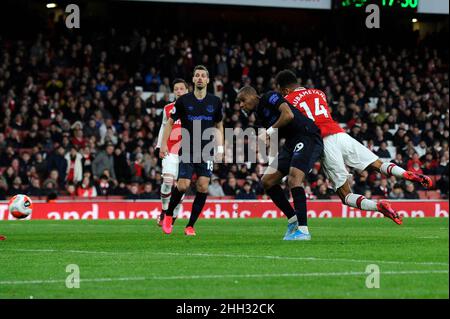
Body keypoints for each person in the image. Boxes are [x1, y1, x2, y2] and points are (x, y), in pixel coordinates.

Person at [276, 69, 434, 225]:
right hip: (341, 134)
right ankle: (406, 173)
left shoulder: (288, 100)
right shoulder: (319, 93)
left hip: (323, 141)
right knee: (378, 164)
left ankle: (378, 206)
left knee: (345, 196)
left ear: (285, 90)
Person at [237, 86, 323, 241]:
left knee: (294, 179)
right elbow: (276, 132)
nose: (241, 105)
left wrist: (268, 133)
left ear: (253, 95)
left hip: (306, 135)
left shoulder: (269, 96)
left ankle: (303, 231)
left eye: (243, 100)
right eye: (239, 102)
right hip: (291, 142)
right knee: (267, 181)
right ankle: (292, 220)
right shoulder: (259, 116)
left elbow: (288, 115)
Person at [160, 65, 224, 236]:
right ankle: (168, 214)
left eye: (203, 75)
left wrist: (220, 148)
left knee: (203, 187)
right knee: (183, 185)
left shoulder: (215, 102)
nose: (200, 78)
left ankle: (190, 226)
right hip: (187, 148)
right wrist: (164, 144)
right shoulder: (183, 101)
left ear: (208, 80)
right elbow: (170, 122)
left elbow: (219, 124)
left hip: (206, 150)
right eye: (197, 75)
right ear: (193, 80)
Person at [155, 78, 189, 226]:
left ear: (187, 90)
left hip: (187, 152)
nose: (179, 91)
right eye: (176, 89)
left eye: (182, 88)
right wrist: (160, 146)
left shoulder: (193, 108)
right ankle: (164, 210)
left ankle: (174, 215)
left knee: (181, 186)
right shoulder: (168, 108)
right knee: (168, 181)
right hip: (170, 150)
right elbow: (163, 127)